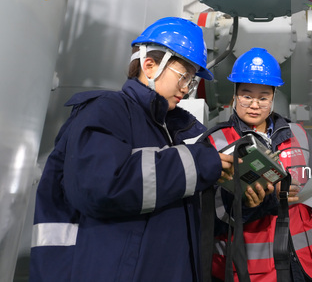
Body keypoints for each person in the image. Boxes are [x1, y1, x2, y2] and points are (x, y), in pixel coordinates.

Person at [29, 17, 236, 282]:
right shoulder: (106, 111)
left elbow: (199, 215)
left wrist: (242, 197)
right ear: (150, 65)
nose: (186, 89)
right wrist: (198, 164)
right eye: (184, 77)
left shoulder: (184, 129)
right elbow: (102, 185)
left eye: (192, 81)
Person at [200, 47, 312, 282]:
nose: (255, 104)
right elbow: (208, 215)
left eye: (263, 97)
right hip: (251, 273)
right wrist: (258, 202)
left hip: (305, 266)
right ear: (234, 95)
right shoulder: (216, 141)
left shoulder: (298, 134)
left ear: (273, 98)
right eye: (246, 95)